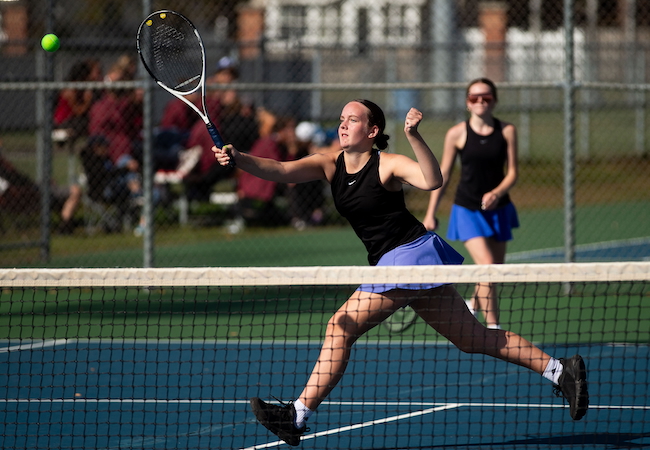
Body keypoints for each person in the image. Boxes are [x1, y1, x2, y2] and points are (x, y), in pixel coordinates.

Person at [213, 99, 589, 446]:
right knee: (472, 338)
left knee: (339, 325)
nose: (343, 126)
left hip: (409, 255)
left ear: (372, 130)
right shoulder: (330, 162)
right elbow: (280, 170)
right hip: (400, 262)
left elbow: (432, 179)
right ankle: (561, 370)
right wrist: (237, 156)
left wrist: (414, 136)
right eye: (341, 120)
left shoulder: (387, 163)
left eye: (353, 120)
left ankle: (296, 415)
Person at [423, 78, 518, 330]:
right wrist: (430, 213)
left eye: (486, 98)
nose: (480, 102)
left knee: (494, 271)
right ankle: (494, 330)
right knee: (486, 266)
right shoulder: (456, 133)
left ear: (494, 101)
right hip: (466, 209)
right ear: (467, 103)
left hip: (499, 210)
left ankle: (473, 305)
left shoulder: (507, 130)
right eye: (474, 98)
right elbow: (443, 175)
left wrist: (497, 192)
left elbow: (513, 173)